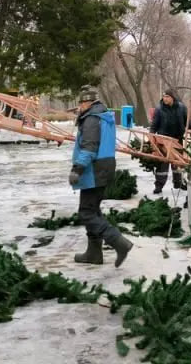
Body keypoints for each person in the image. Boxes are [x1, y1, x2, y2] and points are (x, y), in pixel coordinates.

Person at [68, 86, 133, 266]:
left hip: (94, 170)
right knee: (93, 210)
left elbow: (89, 148)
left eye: (81, 103)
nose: (80, 107)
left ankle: (119, 243)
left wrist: (77, 169)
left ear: (87, 103)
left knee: (86, 213)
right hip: (104, 167)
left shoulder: (91, 119)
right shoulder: (103, 115)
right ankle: (94, 253)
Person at [149, 88, 188, 194]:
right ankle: (159, 185)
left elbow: (187, 122)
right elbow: (154, 125)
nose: (165, 99)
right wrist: (151, 136)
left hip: (177, 140)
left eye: (167, 96)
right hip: (163, 141)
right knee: (162, 165)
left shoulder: (181, 108)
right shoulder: (159, 109)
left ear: (172, 97)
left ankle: (178, 183)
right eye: (164, 96)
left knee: (177, 164)